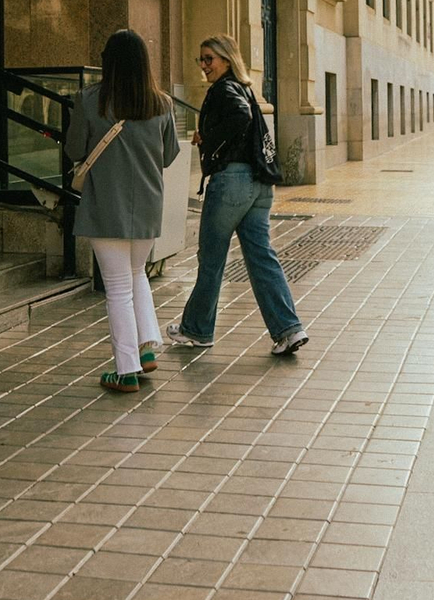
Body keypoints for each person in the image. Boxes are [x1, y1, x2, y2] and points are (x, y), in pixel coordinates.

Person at [169, 34, 308, 357]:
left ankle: (197, 330)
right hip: (259, 184)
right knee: (261, 257)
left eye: (209, 59)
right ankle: (289, 329)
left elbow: (239, 117)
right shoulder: (244, 86)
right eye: (200, 60)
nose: (203, 66)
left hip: (232, 182)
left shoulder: (224, 89)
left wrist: (209, 139)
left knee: (212, 258)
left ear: (226, 60)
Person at [66, 31, 180, 393]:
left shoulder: (90, 101)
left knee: (117, 288)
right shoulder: (161, 104)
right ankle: (147, 347)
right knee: (136, 275)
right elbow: (169, 154)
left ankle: (126, 369)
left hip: (106, 206)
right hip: (147, 207)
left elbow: (73, 149)